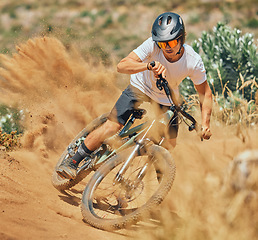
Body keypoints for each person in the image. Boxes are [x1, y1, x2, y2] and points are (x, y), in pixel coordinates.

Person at [57, 12, 212, 180]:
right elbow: (122, 65)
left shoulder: (193, 61)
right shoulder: (152, 45)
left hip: (166, 97)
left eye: (172, 41)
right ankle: (72, 161)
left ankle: (159, 188)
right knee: (112, 126)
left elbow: (205, 93)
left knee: (169, 144)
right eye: (162, 43)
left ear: (182, 38)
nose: (167, 47)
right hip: (140, 87)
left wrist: (205, 124)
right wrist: (148, 65)